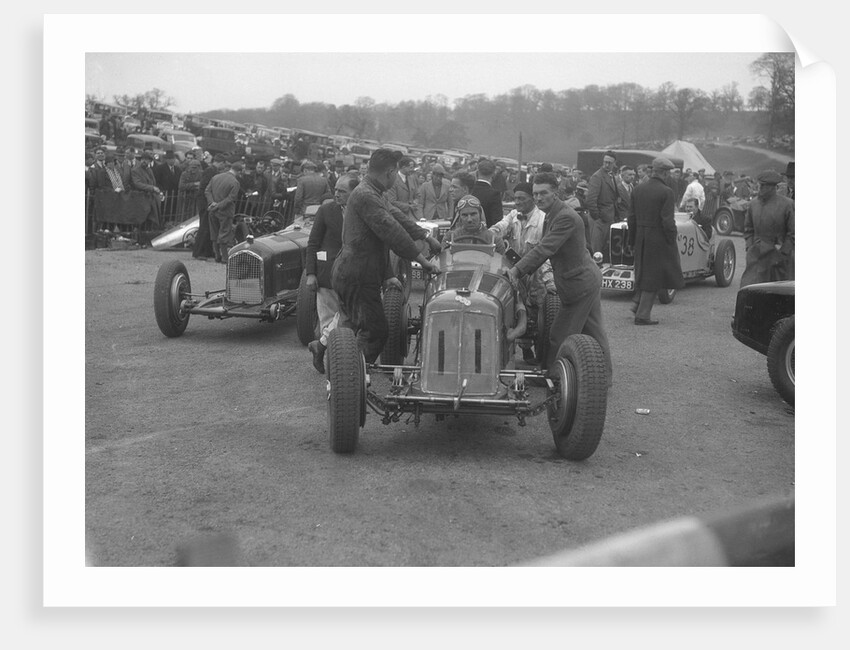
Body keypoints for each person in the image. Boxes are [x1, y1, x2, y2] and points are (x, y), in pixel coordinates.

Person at [331, 149, 441, 364]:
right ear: (390, 172)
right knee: (376, 331)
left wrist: (426, 236)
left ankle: (326, 353)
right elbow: (392, 231)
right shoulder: (366, 196)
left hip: (354, 271)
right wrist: (424, 261)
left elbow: (397, 217)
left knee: (352, 324)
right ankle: (348, 376)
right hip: (357, 274)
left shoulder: (375, 192)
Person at [506, 172, 612, 385]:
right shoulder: (554, 213)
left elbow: (546, 247)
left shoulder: (564, 216)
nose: (538, 198)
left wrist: (516, 270)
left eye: (543, 193)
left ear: (556, 193)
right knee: (594, 330)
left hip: (579, 283)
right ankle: (604, 377)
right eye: (535, 194)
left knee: (559, 333)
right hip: (584, 279)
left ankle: (553, 376)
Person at [489, 181, 555, 363]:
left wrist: (549, 281)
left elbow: (547, 253)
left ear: (533, 199)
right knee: (518, 308)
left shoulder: (543, 219)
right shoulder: (513, 215)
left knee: (540, 311)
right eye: (515, 198)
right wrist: (490, 233)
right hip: (516, 271)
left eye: (521, 199)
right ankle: (525, 350)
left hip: (537, 273)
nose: (517, 202)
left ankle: (542, 355)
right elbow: (500, 226)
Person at [305, 174, 359, 374]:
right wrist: (311, 273)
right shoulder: (326, 210)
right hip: (326, 276)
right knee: (328, 320)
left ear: (354, 192)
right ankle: (336, 368)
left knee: (350, 317)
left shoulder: (362, 211)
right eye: (335, 190)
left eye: (342, 191)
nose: (336, 194)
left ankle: (320, 346)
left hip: (353, 276)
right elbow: (312, 243)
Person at [627, 157, 685, 325]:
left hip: (640, 237)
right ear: (665, 173)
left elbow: (631, 218)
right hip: (658, 237)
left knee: (643, 272)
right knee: (654, 276)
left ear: (653, 171)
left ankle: (637, 303)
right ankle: (642, 315)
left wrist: (632, 241)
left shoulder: (637, 189)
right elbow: (667, 221)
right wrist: (671, 238)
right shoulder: (666, 192)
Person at [740, 169, 795, 288]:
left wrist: (783, 252)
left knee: (777, 294)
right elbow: (748, 229)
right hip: (756, 256)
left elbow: (793, 233)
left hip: (777, 259)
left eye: (764, 186)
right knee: (749, 289)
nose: (760, 188)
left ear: (772, 187)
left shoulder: (787, 204)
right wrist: (750, 247)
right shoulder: (753, 204)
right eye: (760, 185)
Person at [205, 160, 244, 263]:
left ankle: (217, 255)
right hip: (225, 211)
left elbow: (207, 191)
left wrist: (212, 203)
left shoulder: (216, 177)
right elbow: (231, 198)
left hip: (212, 210)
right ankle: (225, 258)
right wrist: (219, 205)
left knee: (214, 233)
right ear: (239, 171)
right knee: (224, 233)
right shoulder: (235, 182)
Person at [585, 151, 621, 262]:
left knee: (605, 251)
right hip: (599, 220)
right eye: (605, 162)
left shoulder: (612, 176)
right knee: (596, 253)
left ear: (614, 163)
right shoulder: (597, 177)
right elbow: (591, 200)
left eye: (609, 163)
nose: (606, 165)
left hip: (609, 218)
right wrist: (597, 217)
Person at [194, 153, 226, 261]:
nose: (223, 166)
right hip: (205, 201)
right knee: (204, 226)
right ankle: (199, 252)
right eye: (223, 164)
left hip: (207, 201)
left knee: (209, 227)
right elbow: (205, 188)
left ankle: (207, 251)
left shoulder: (213, 171)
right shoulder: (210, 171)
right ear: (220, 162)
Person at [386, 156, 422, 220]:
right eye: (410, 167)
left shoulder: (412, 178)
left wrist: (416, 201)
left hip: (413, 216)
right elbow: (392, 201)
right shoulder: (393, 180)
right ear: (403, 167)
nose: (412, 170)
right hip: (398, 217)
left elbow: (417, 194)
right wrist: (408, 206)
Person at [471, 159, 503, 227]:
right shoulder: (494, 194)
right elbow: (497, 221)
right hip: (485, 235)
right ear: (493, 174)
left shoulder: (469, 190)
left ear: (477, 172)